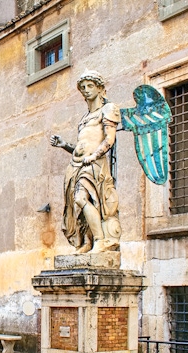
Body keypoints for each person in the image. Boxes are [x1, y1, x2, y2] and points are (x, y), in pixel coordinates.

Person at [50, 70, 121, 254]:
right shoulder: (84, 118)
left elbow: (109, 140)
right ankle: (87, 242)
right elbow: (81, 146)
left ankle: (101, 240)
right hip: (77, 164)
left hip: (94, 165)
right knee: (77, 205)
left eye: (90, 86)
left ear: (100, 88)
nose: (86, 90)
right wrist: (65, 145)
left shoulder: (108, 109)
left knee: (82, 199)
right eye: (83, 87)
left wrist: (94, 156)